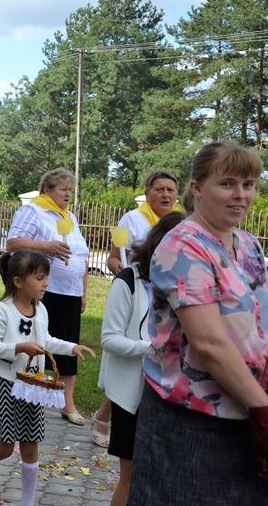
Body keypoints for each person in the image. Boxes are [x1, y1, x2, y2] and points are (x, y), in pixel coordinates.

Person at [129, 142, 268, 504]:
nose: (241, 195)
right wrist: (263, 410)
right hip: (192, 423)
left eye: (249, 184)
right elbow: (209, 344)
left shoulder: (248, 244)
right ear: (197, 188)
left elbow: (258, 325)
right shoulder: (183, 246)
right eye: (227, 183)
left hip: (245, 411)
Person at [0, 250, 95, 506]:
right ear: (18, 281)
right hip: (5, 386)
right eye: (40, 278)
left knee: (31, 447)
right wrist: (20, 347)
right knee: (4, 448)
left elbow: (46, 340)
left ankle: (27, 502)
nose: (46, 284)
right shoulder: (1, 311)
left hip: (32, 388)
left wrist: (71, 347)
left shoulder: (40, 309)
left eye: (46, 278)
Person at [98, 211, 184, 506]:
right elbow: (109, 338)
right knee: (131, 478)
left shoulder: (183, 284)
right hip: (132, 395)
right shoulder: (129, 282)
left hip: (171, 393)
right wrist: (151, 349)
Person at [91, 169, 180, 448]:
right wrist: (122, 271)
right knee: (129, 366)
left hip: (163, 297)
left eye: (170, 190)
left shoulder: (181, 223)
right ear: (147, 192)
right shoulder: (131, 219)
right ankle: (106, 417)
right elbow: (114, 257)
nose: (165, 194)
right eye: (159, 189)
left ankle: (109, 416)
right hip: (136, 293)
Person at [6, 167, 89, 425]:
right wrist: (46, 246)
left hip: (71, 292)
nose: (68, 194)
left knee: (69, 346)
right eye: (63, 189)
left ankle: (67, 403)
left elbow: (81, 256)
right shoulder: (34, 211)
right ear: (47, 189)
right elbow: (13, 243)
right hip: (46, 290)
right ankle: (30, 395)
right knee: (40, 343)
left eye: (70, 190)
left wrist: (83, 290)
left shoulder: (70, 217)